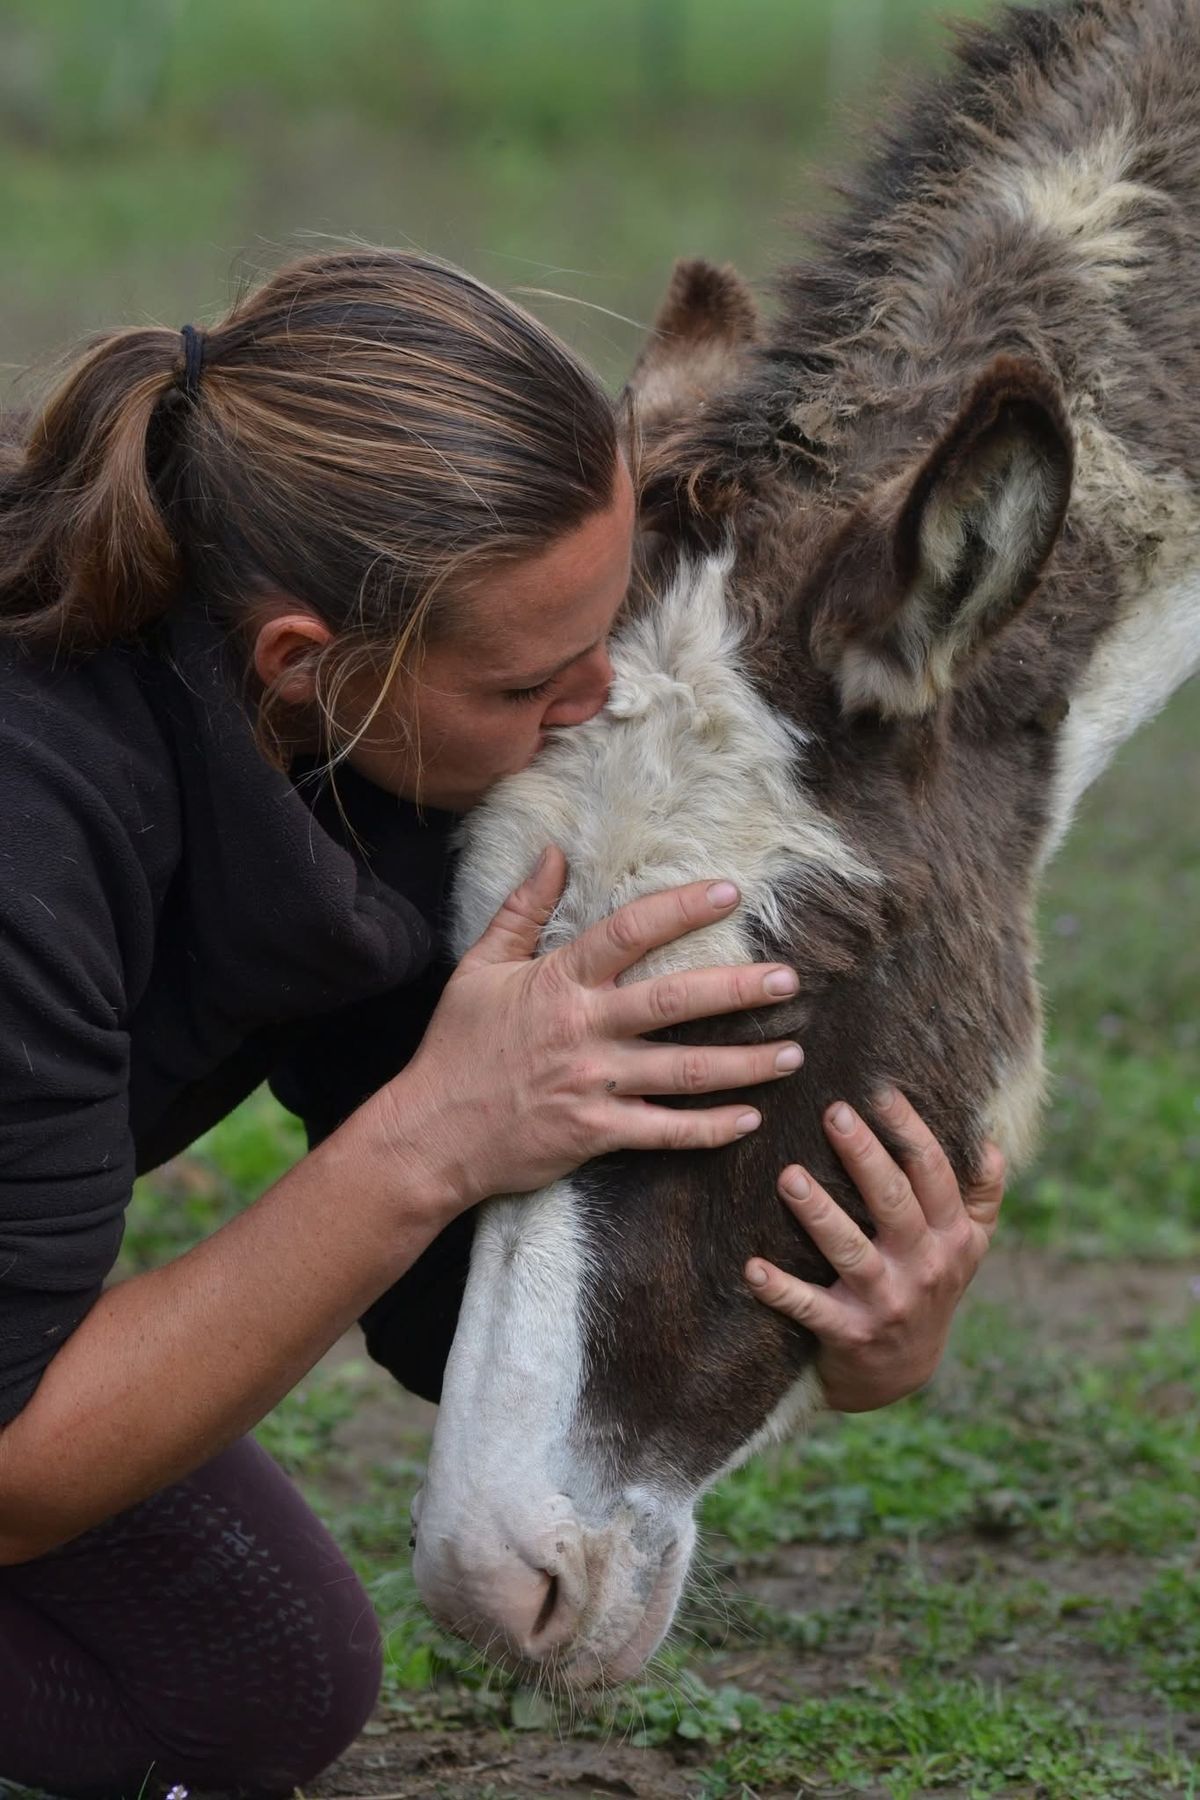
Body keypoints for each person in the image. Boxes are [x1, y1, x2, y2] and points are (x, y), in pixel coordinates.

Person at [0, 249, 1005, 1799]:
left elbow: (436, 1311)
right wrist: (429, 1139)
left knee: (254, 1680)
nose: (600, 697)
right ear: (305, 660)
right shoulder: (35, 826)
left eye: (614, 625)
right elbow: (13, 1477)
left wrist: (835, 1330)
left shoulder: (371, 762)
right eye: (542, 674)